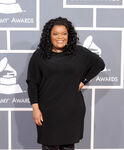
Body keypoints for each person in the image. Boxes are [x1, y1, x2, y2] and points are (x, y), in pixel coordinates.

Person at [26, 17, 105, 150]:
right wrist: (35, 109)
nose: (60, 37)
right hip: (48, 111)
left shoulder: (78, 52)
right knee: (49, 146)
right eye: (55, 34)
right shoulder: (40, 55)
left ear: (69, 35)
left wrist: (84, 81)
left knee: (68, 146)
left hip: (72, 110)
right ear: (49, 36)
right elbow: (32, 83)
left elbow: (99, 64)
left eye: (64, 33)